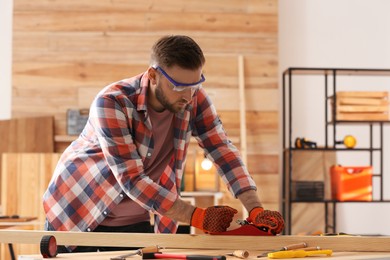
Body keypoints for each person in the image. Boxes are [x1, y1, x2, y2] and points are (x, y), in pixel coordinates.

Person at [42, 35, 284, 252]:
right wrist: (197, 216)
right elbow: (132, 179)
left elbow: (221, 149)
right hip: (78, 213)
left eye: (195, 84)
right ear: (153, 75)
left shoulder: (194, 99)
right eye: (178, 86)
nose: (188, 96)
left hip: (135, 219)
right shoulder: (112, 102)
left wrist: (255, 209)